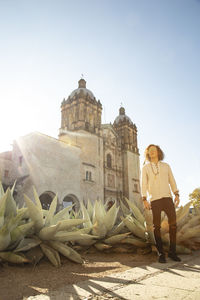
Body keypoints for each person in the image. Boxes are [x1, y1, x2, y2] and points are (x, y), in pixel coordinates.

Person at [141, 144, 181, 263]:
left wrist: (176, 194)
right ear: (148, 154)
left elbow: (172, 180)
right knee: (156, 227)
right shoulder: (145, 168)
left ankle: (173, 252)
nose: (152, 152)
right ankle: (161, 254)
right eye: (150, 151)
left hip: (168, 198)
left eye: (154, 150)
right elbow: (143, 183)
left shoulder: (166, 166)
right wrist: (144, 199)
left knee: (173, 225)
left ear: (158, 152)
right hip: (155, 199)